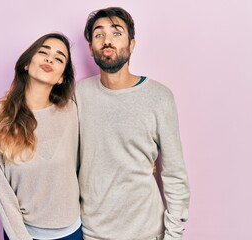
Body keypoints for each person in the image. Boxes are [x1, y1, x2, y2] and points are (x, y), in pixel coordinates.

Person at [75, 7, 190, 240]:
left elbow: (174, 173)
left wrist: (174, 234)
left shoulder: (159, 97)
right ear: (91, 48)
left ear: (132, 44)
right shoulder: (79, 94)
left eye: (116, 33)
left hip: (147, 231)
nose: (107, 40)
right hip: (93, 232)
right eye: (99, 35)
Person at [0, 33, 82, 240]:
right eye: (43, 52)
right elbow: (1, 191)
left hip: (72, 231)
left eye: (59, 58)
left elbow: (90, 158)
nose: (49, 59)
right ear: (27, 63)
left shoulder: (71, 111)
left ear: (62, 77)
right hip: (24, 234)